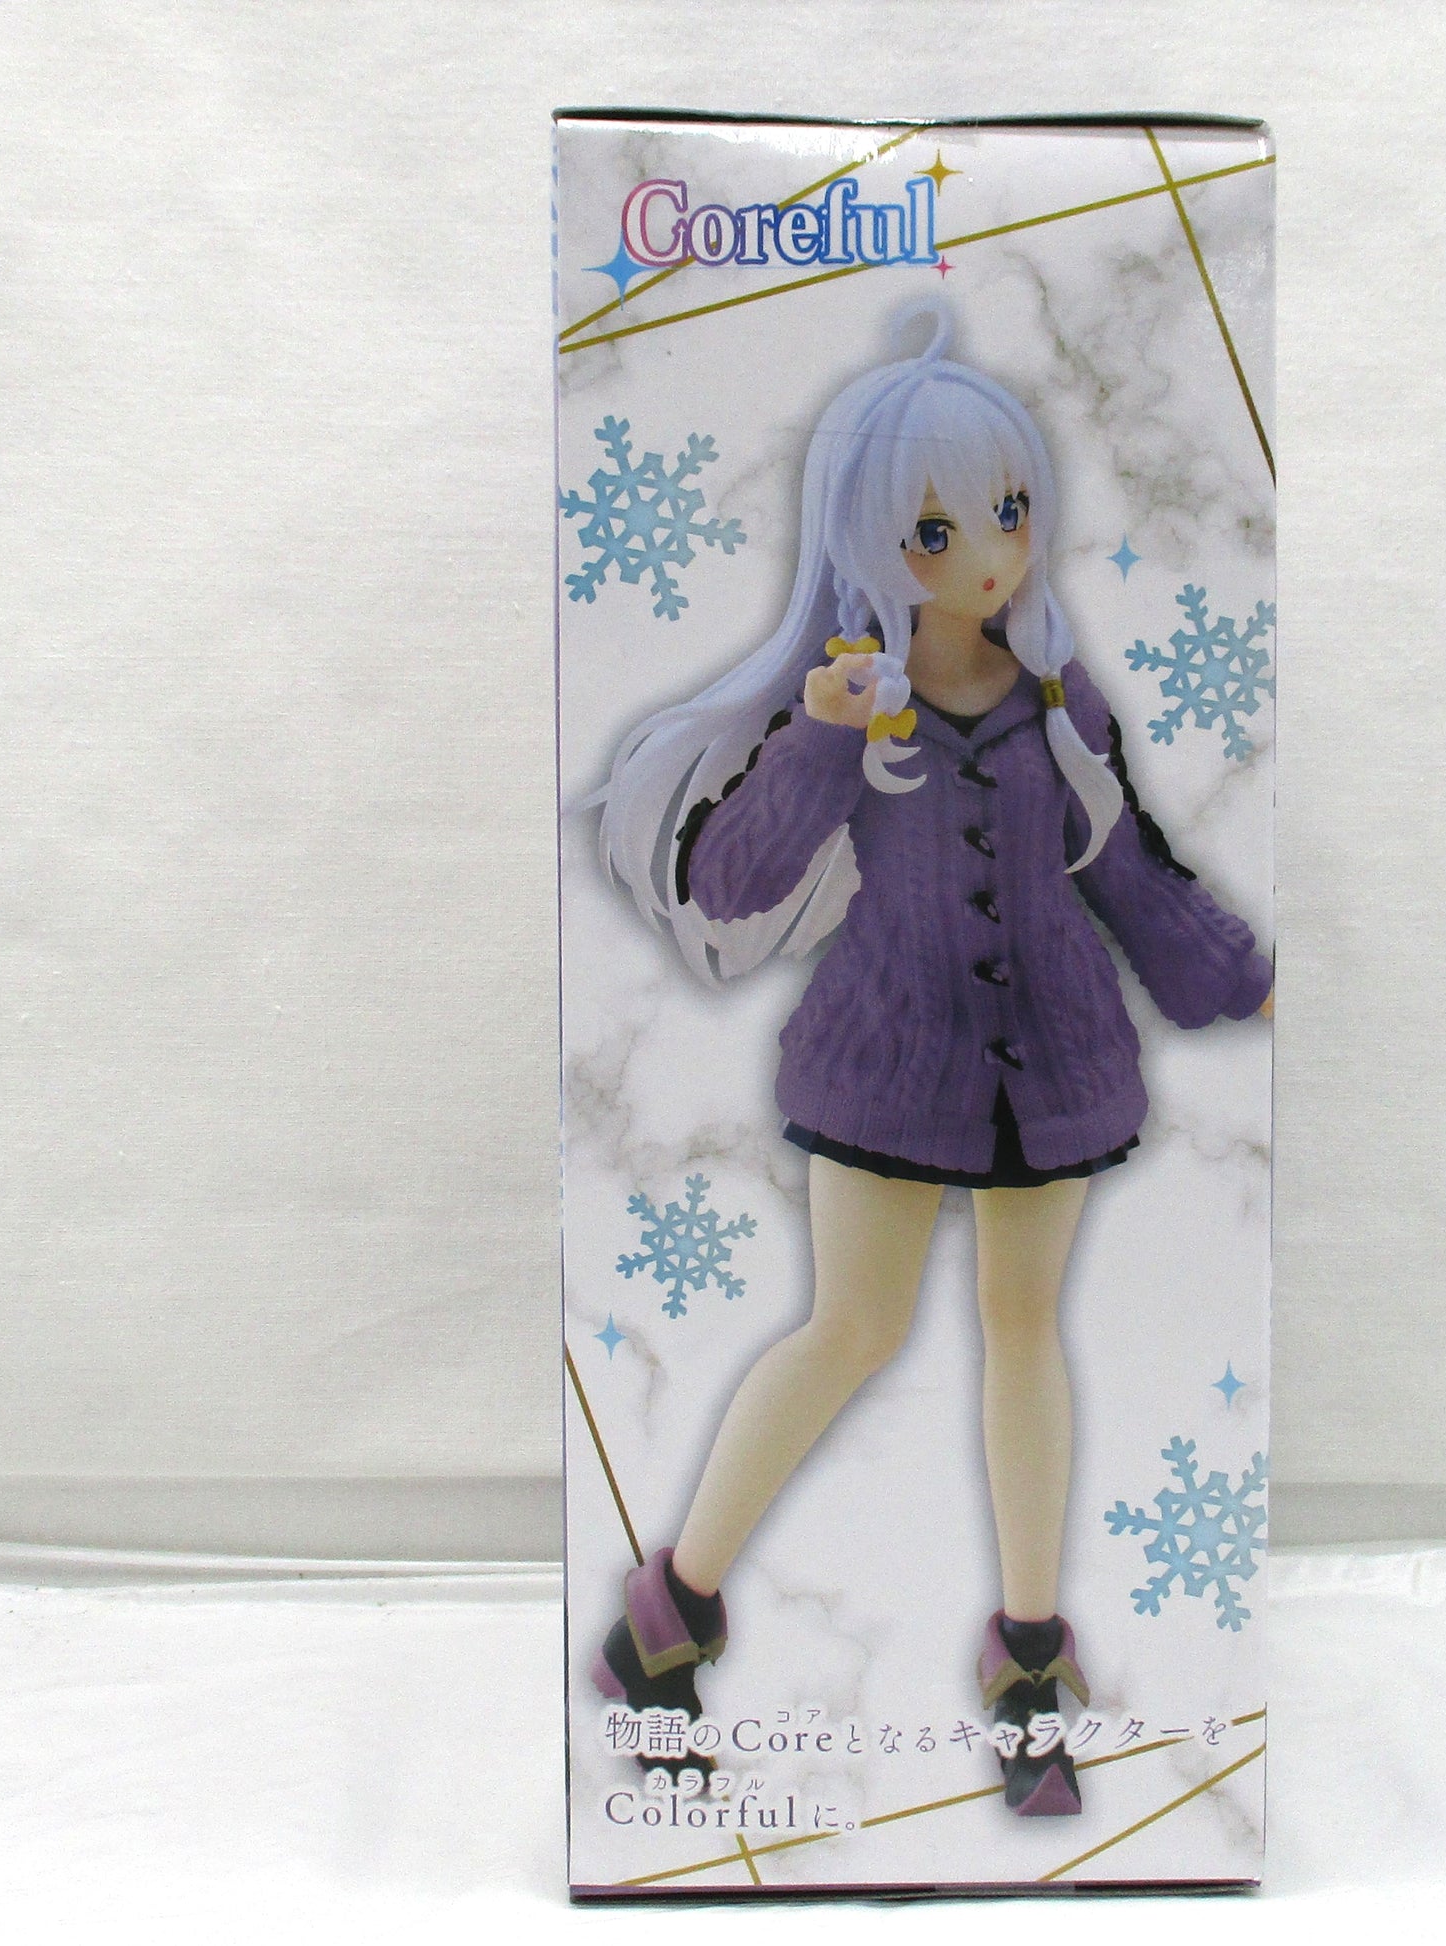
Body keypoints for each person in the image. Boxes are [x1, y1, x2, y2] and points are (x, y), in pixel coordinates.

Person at [590, 298, 1272, 1816]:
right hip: (888, 1058)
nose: (991, 553)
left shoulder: (1059, 703)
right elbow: (736, 881)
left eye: (1011, 511)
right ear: (871, 539)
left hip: (1057, 1057)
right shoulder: (849, 703)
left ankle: (1029, 1663)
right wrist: (822, 736)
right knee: (849, 1328)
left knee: (1027, 1333)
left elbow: (1130, 871)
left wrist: (1238, 974)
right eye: (941, 529)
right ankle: (665, 1620)